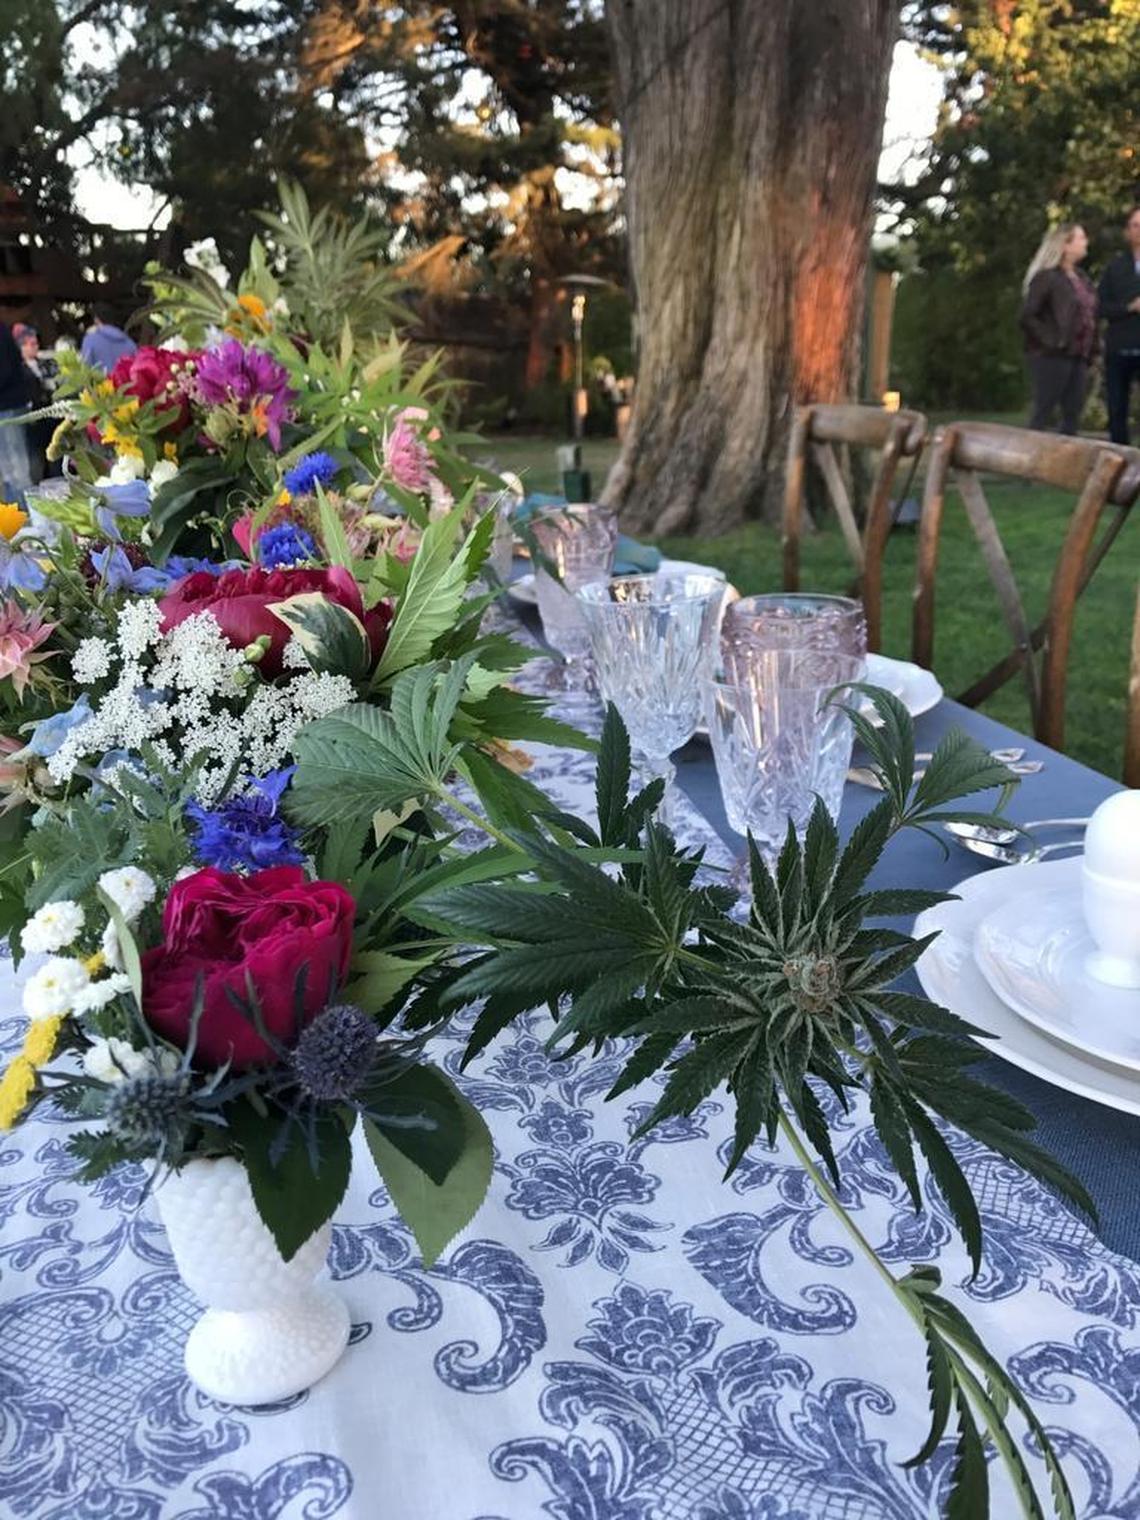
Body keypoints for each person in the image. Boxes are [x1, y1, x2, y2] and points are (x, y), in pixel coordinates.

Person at [1020, 223, 1097, 435]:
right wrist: (1052, 341)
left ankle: (1065, 464)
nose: (1085, 242)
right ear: (1065, 245)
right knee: (1043, 410)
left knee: (1073, 414)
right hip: (1051, 356)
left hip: (1078, 355)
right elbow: (1028, 316)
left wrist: (1093, 349)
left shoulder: (1081, 278)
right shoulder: (1047, 277)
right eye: (1080, 238)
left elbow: (1088, 315)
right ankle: (1028, 458)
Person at [1097, 206, 1140, 444]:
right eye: (1135, 225)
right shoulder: (1114, 268)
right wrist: (1129, 308)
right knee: (1117, 409)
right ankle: (1120, 462)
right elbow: (1100, 307)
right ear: (1127, 231)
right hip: (1120, 349)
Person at [0, 322, 32, 506]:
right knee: (10, 470)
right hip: (9, 404)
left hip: (7, 407)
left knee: (15, 470)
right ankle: (18, 521)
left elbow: (4, 371)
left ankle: (26, 521)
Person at [79, 303, 136, 372]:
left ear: (96, 319)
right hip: (124, 382)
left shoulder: (90, 340)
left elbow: (84, 369)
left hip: (100, 382)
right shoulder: (130, 343)